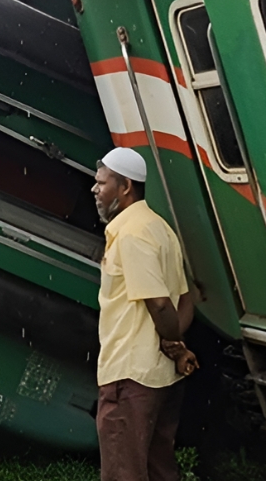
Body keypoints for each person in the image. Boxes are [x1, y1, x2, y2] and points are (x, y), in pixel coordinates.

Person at [92, 147, 197, 481]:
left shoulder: (132, 234)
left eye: (101, 183)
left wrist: (170, 340)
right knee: (158, 468)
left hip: (130, 376)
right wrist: (175, 347)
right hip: (161, 377)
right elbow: (185, 301)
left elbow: (161, 304)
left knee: (124, 471)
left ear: (125, 187)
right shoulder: (159, 228)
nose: (94, 190)